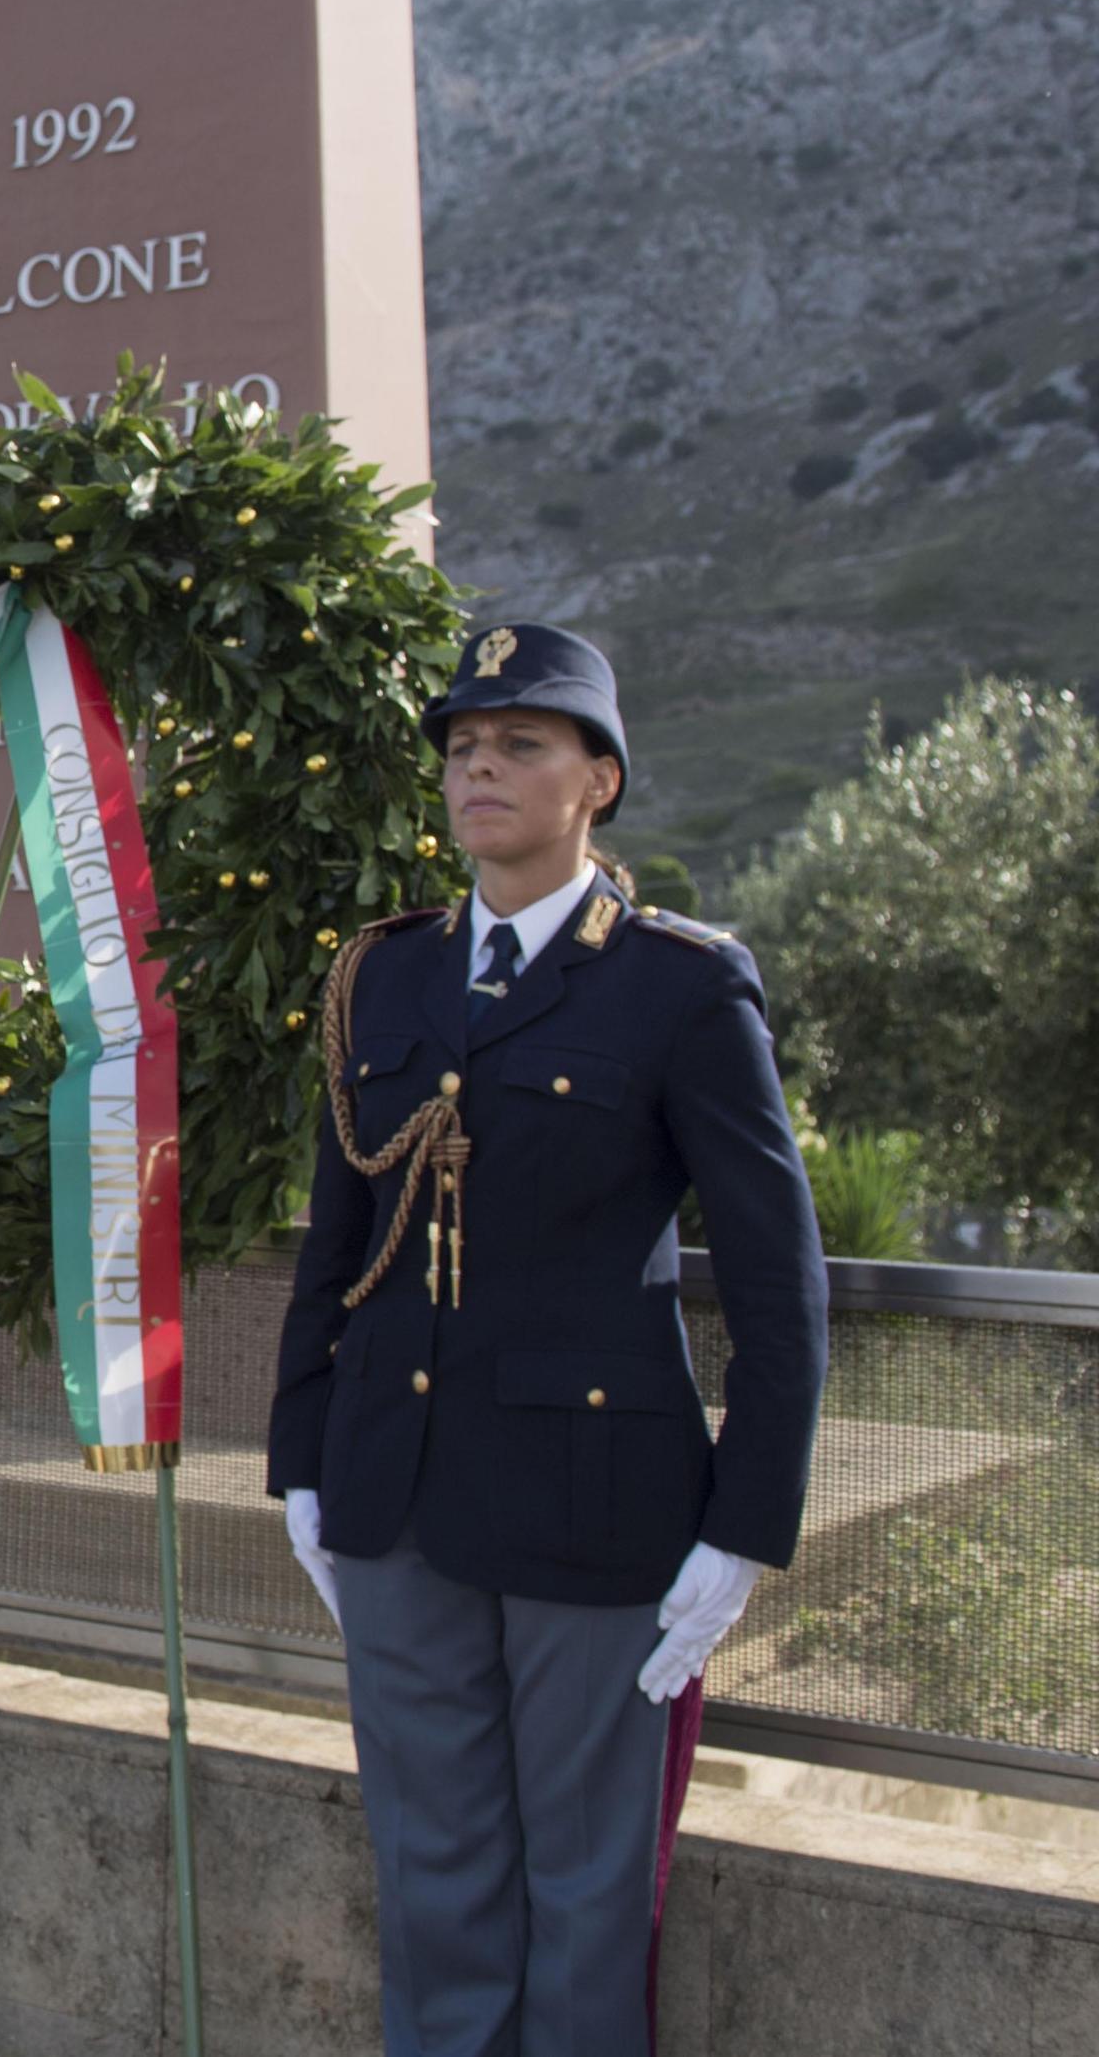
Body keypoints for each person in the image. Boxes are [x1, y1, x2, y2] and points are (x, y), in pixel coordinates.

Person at [267, 621, 828, 2056]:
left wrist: (746, 1525)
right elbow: (338, 1239)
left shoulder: (680, 984)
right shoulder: (382, 979)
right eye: (462, 747)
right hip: (393, 1489)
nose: (481, 769)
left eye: (521, 742)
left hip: (598, 1512)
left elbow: (778, 1284)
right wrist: (301, 1459)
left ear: (600, 779)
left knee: (585, 1899)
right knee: (433, 1881)